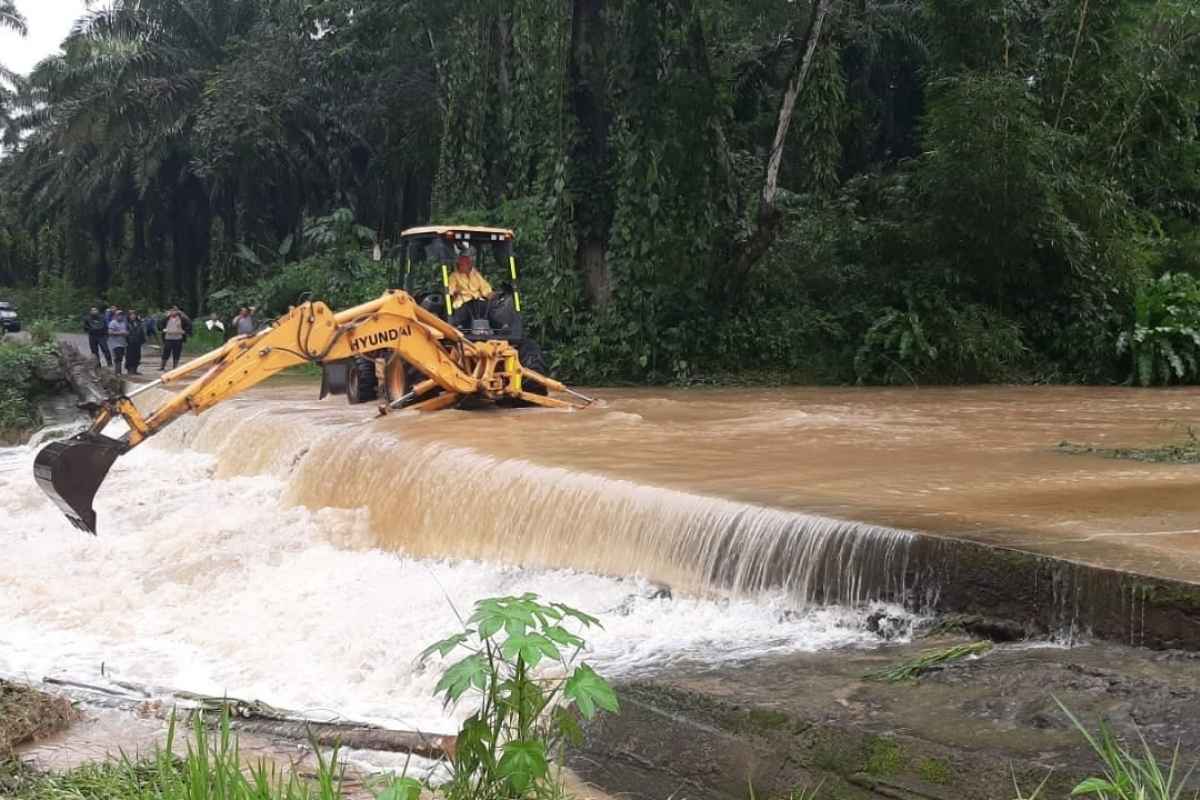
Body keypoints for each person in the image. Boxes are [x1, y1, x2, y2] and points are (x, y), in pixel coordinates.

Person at [447, 248, 494, 329]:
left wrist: (489, 294)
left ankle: (498, 326)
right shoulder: (454, 276)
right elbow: (450, 291)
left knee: (492, 307)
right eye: (459, 264)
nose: (459, 266)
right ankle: (459, 327)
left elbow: (485, 288)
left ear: (469, 264)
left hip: (477, 302)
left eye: (463, 264)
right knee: (463, 310)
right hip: (463, 302)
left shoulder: (476, 274)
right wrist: (455, 291)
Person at [107, 309, 129, 376]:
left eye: (121, 315)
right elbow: (110, 332)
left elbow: (126, 331)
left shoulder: (124, 323)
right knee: (117, 358)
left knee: (121, 358)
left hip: (123, 343)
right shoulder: (113, 323)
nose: (120, 316)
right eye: (119, 315)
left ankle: (119, 372)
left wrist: (126, 333)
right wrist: (120, 333)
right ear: (116, 316)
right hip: (115, 344)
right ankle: (117, 372)